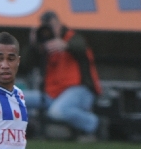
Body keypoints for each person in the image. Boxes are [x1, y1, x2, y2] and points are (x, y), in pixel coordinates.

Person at [23, 10, 106, 141]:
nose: (51, 29)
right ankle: (26, 130)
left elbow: (81, 45)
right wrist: (33, 45)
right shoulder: (44, 43)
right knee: (13, 98)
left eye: (53, 25)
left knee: (57, 111)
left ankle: (94, 124)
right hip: (52, 93)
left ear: (59, 25)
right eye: (47, 27)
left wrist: (65, 45)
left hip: (80, 90)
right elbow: (24, 66)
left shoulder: (71, 37)